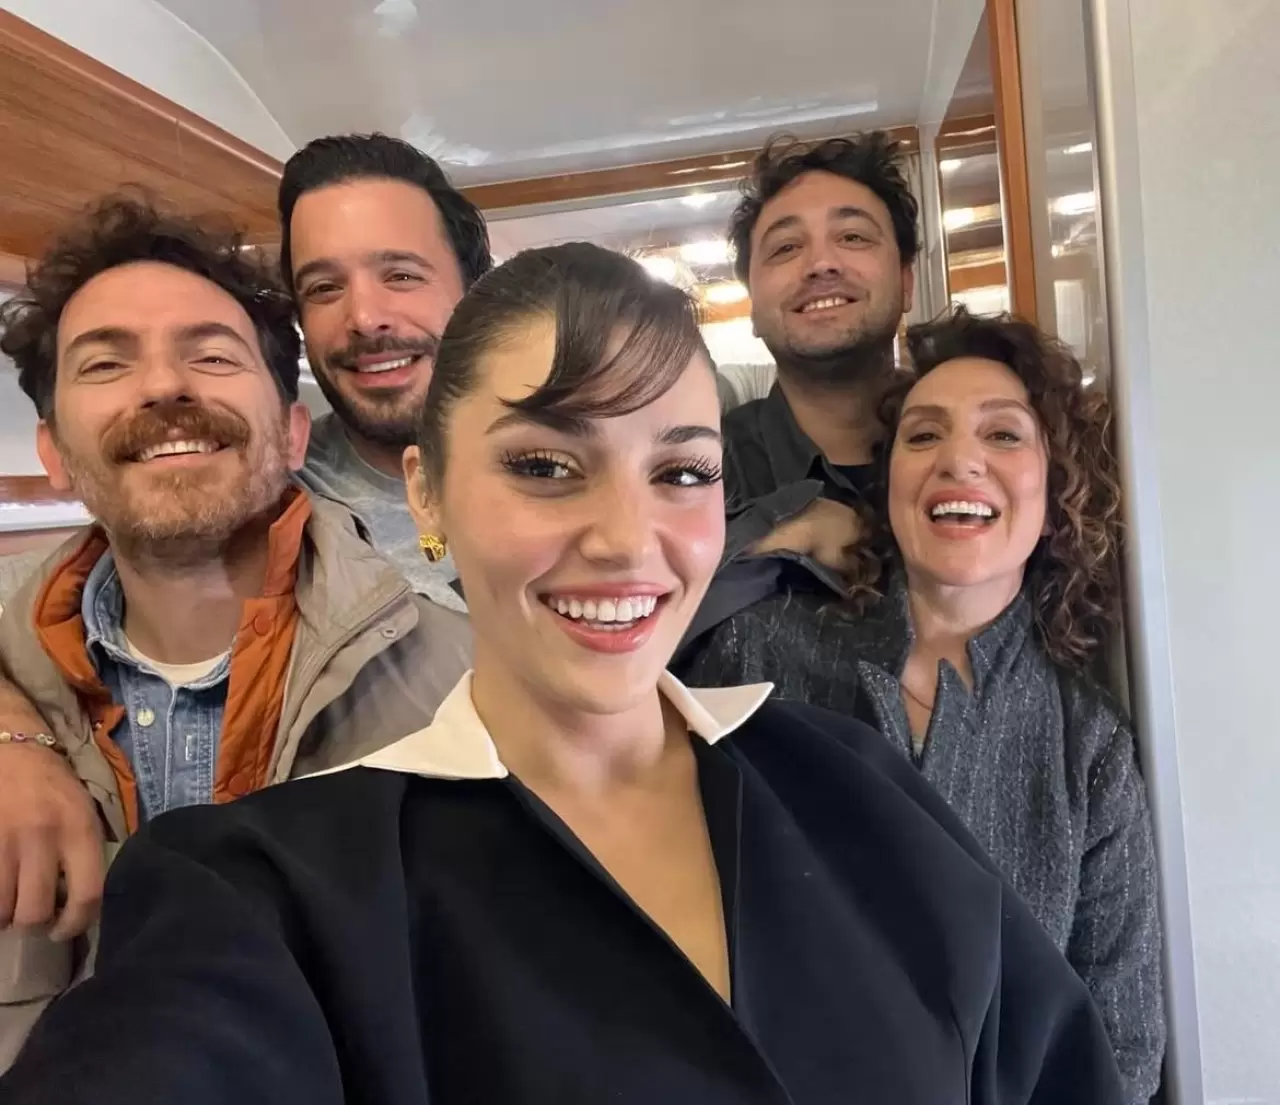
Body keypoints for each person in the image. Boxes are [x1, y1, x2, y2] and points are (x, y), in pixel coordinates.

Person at [0, 243, 1124, 1105]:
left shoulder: (851, 781)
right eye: (544, 464)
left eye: (681, 472)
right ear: (428, 492)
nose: (628, 540)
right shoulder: (268, 889)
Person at [0, 197, 472, 1066]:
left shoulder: (474, 690)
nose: (164, 386)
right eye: (105, 363)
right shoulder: (13, 687)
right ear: (53, 453)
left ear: (292, 433)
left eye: (212, 355)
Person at [680, 308, 1165, 1103]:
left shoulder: (1087, 744)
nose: (959, 459)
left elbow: (1123, 1049)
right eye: (924, 434)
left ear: (1056, 487)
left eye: (1003, 434)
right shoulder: (758, 655)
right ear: (891, 482)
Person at [280, 132, 493, 612]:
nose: (364, 317)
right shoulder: (274, 500)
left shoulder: (581, 460)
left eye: (401, 276)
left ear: (478, 294)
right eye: (324, 288)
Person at [721, 131, 918, 509]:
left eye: (853, 237)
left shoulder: (979, 454)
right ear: (753, 305)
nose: (821, 263)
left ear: (906, 281)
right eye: (786, 247)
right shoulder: (702, 474)